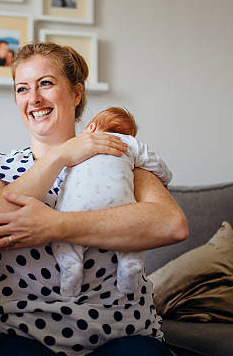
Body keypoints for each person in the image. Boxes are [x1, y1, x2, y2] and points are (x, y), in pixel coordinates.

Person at [0, 42, 188, 355]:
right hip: (16, 332)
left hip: (122, 333)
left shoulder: (115, 153)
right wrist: (61, 155)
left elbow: (171, 225)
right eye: (22, 89)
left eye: (46, 84)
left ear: (76, 93)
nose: (34, 98)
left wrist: (55, 226)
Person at [53, 107, 172, 298]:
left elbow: (58, 173)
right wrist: (165, 179)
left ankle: (71, 269)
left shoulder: (76, 146)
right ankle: (130, 263)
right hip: (119, 203)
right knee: (130, 230)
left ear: (90, 127)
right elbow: (156, 164)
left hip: (76, 206)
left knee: (62, 236)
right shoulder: (130, 144)